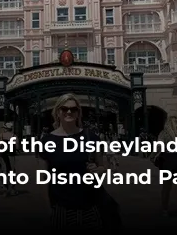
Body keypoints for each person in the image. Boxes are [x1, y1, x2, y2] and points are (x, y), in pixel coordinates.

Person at [39, 93, 121, 231]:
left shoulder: (91, 137)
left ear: (78, 113)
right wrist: (49, 209)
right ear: (58, 112)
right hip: (61, 209)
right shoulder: (47, 141)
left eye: (73, 109)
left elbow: (102, 167)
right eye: (64, 109)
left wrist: (99, 170)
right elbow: (43, 178)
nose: (69, 112)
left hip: (91, 207)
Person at [150, 116, 177, 222]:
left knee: (166, 189)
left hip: (168, 160)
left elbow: (159, 147)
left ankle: (165, 211)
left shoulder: (164, 133)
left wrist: (152, 156)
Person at [0, 122, 19, 197]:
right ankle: (12, 189)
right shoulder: (14, 136)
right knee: (11, 171)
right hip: (11, 155)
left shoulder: (1, 135)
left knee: (3, 171)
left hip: (2, 156)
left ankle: (4, 189)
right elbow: (18, 147)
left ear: (5, 128)